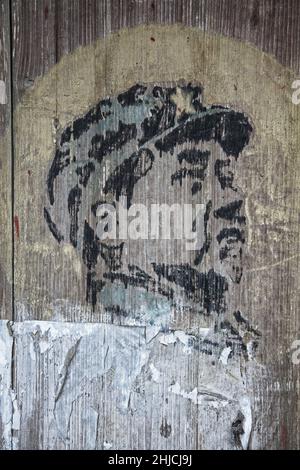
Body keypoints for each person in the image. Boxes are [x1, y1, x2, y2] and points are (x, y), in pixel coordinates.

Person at [45, 83, 260, 359]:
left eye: (226, 177)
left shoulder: (215, 338)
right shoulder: (136, 352)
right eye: (195, 173)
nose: (233, 198)